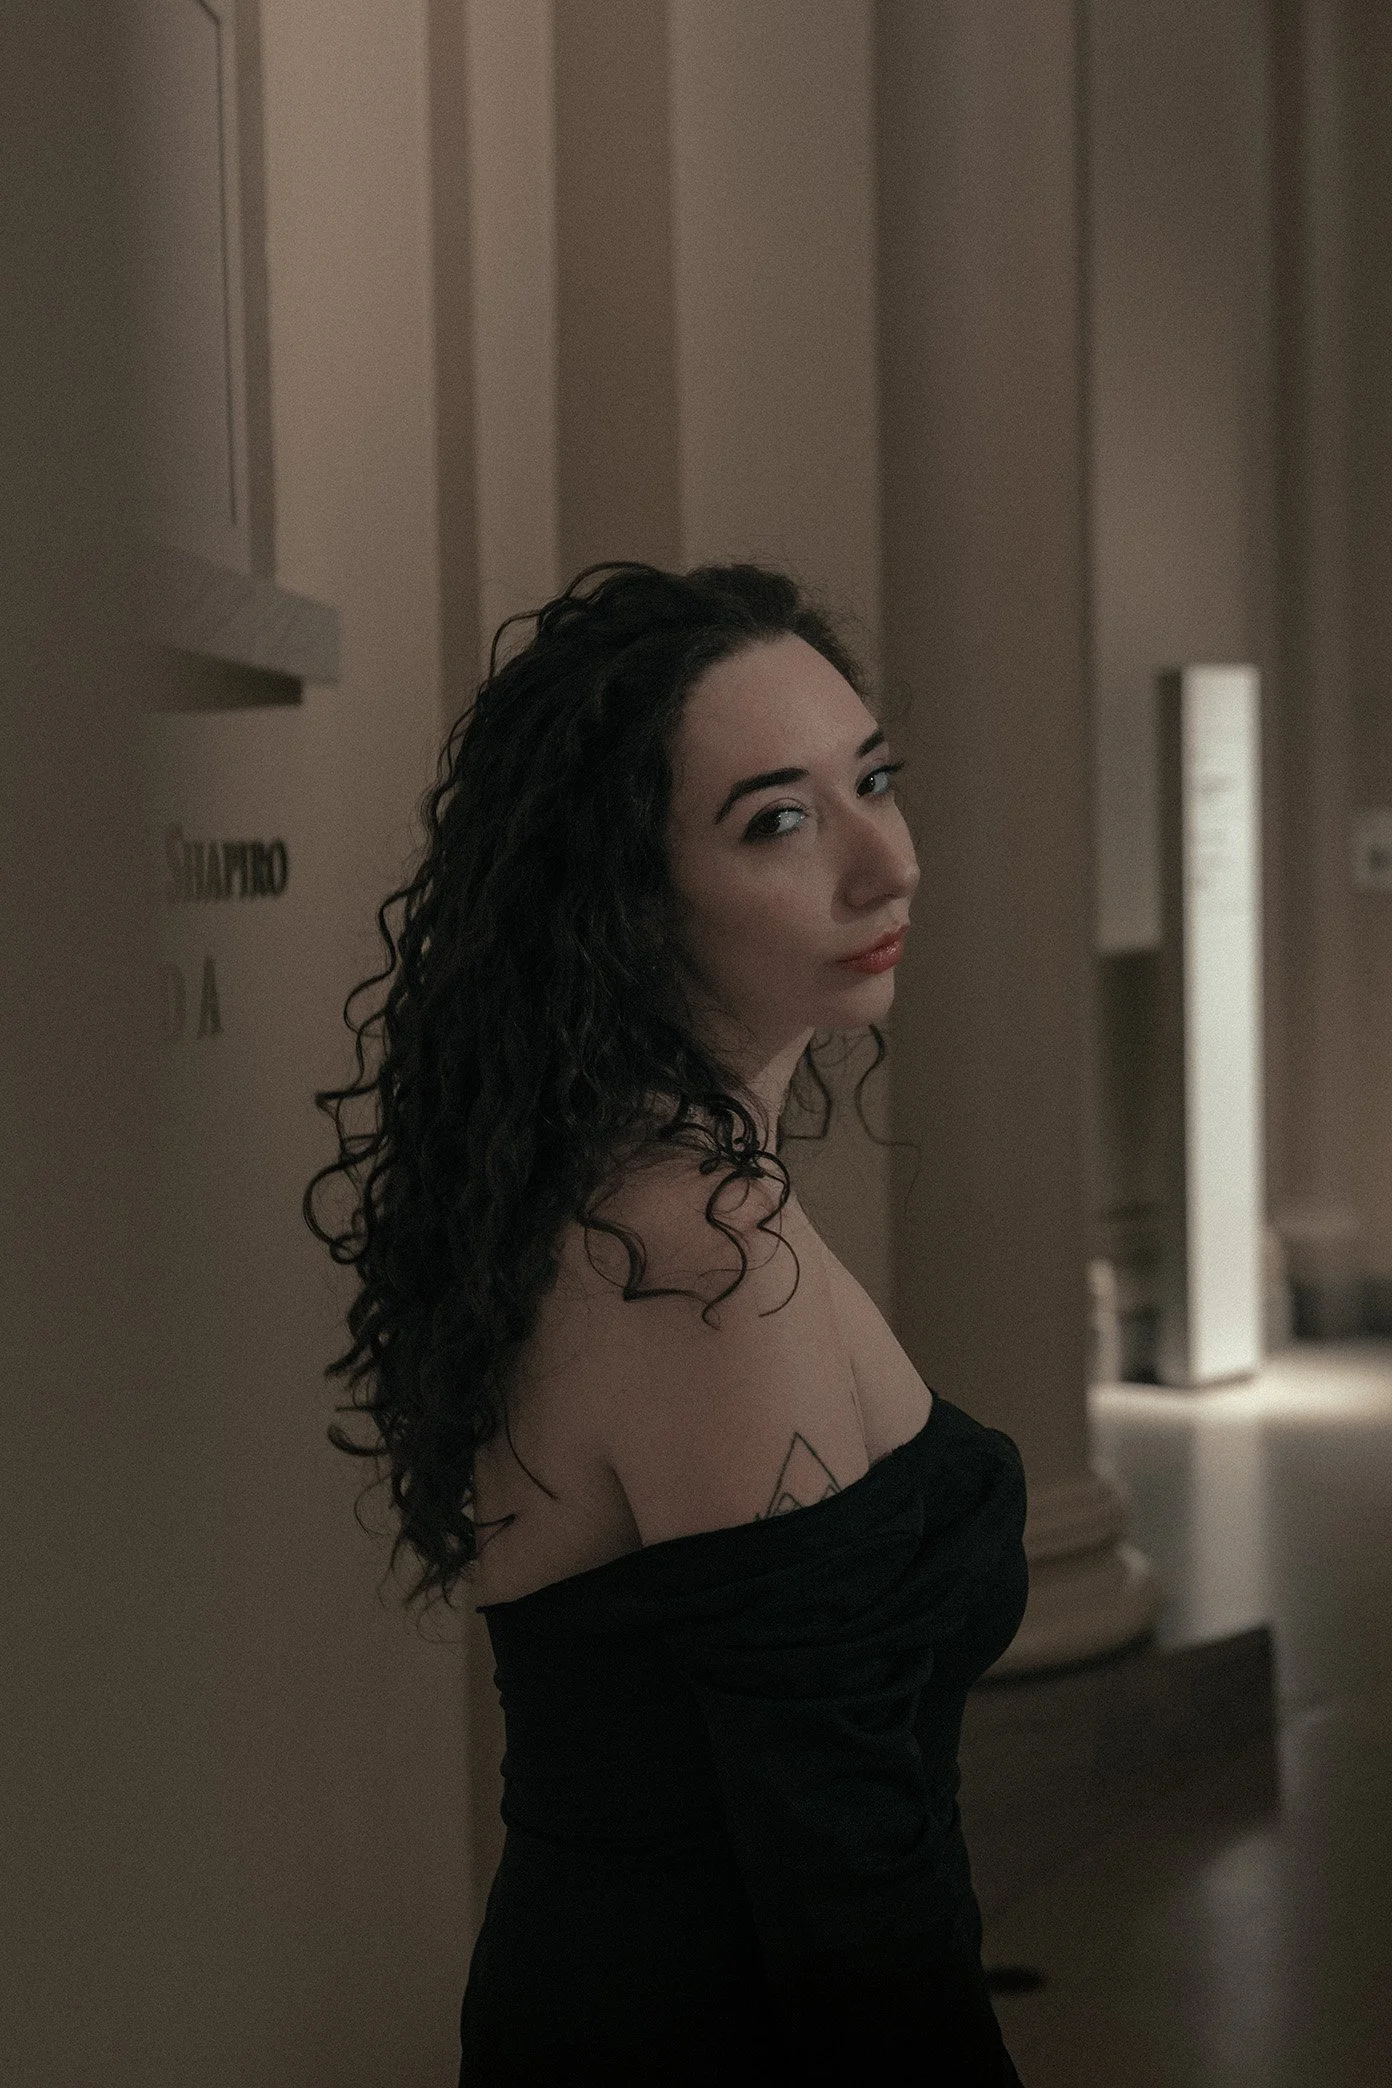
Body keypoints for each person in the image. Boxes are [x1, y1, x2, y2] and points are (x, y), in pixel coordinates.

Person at [304, 560, 1029, 2084]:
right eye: (778, 822)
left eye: (872, 781)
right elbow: (850, 1886)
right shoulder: (692, 1258)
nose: (886, 862)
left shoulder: (649, 1186)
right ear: (626, 900)